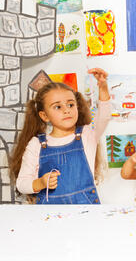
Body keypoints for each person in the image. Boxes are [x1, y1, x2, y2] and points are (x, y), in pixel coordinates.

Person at [10, 68, 111, 204]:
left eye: (70, 104)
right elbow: (21, 184)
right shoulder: (36, 144)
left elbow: (104, 116)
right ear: (44, 115)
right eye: (57, 107)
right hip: (49, 214)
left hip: (86, 212)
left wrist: (103, 87)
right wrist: (40, 183)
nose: (66, 110)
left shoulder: (87, 134)